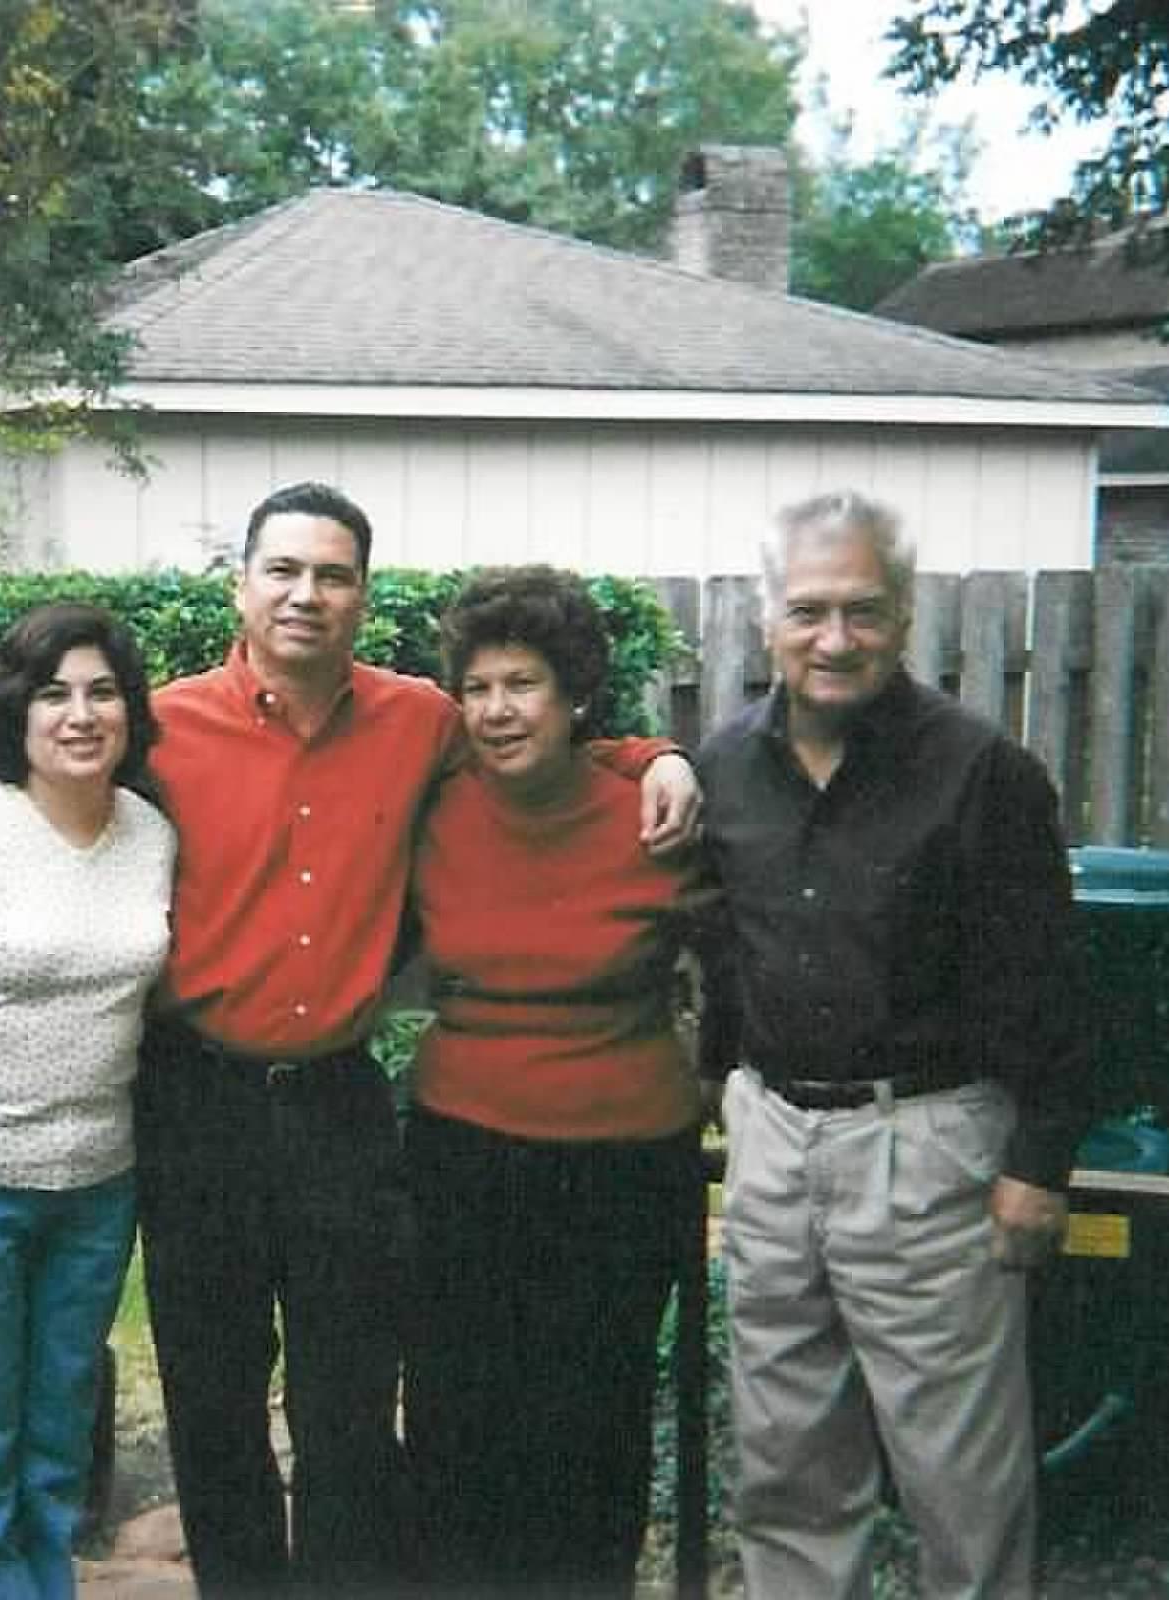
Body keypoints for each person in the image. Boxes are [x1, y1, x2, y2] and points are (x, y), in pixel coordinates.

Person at [133, 481, 701, 1592]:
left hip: (337, 1103)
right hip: (198, 1102)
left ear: (362, 595)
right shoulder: (160, 729)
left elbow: (563, 742)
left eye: (332, 575)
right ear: (240, 587)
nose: (306, 594)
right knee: (214, 1398)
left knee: (351, 1405)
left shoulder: (422, 722)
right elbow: (56, 792)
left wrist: (661, 756)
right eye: (282, 570)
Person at [696, 492, 1089, 1599]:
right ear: (768, 616)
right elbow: (724, 951)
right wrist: (723, 1095)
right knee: (785, 1468)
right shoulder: (724, 766)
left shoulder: (981, 772)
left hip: (927, 1149)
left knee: (961, 1485)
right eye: (809, 610)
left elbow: (1053, 985)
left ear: (905, 614)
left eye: (862, 610)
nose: (835, 638)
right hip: (774, 1142)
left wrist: (1038, 1163)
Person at [402, 566, 711, 1596]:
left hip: (621, 1167)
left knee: (590, 1426)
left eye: (523, 684)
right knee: (456, 1424)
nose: (497, 709)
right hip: (462, 1153)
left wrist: (663, 755)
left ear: (576, 694)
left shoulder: (654, 815)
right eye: (478, 687)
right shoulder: (434, 806)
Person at [0, 603, 177, 1600]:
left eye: (102, 691)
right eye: (54, 693)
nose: (80, 713)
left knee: (60, 1430)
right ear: (16, 711)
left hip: (98, 1189)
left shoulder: (151, 835)